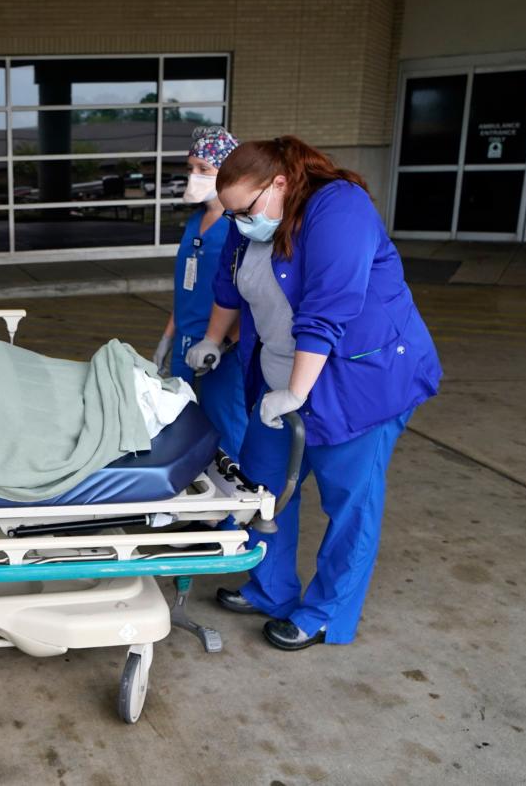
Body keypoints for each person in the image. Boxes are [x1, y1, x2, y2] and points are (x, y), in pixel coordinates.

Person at [185, 136, 441, 651]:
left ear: (278, 183)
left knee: (349, 501)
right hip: (279, 375)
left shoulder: (339, 207)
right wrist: (213, 341)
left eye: (246, 210)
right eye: (232, 213)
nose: (239, 223)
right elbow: (228, 288)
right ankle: (270, 589)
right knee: (262, 489)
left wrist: (298, 390)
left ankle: (325, 611)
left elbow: (330, 305)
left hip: (357, 386)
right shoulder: (249, 218)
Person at [152, 126, 248, 458]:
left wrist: (221, 343)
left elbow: (246, 296)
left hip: (221, 350)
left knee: (224, 433)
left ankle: (231, 511)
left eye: (203, 169)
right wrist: (167, 338)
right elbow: (186, 288)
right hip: (185, 342)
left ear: (228, 173)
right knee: (180, 427)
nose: (194, 176)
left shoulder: (240, 226)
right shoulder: (195, 222)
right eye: (190, 168)